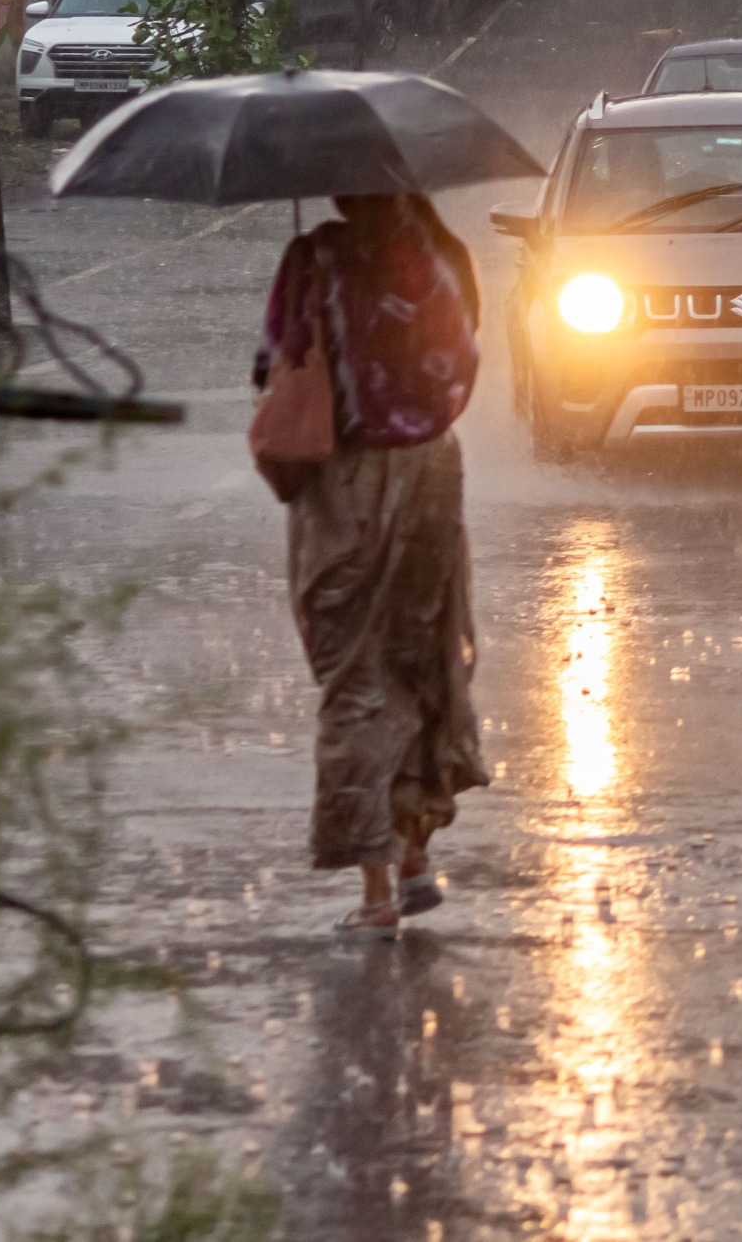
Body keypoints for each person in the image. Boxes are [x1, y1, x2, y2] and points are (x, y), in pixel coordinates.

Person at [259, 192, 487, 938]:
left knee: (355, 672)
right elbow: (463, 360)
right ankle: (415, 851)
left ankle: (377, 889)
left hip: (347, 485)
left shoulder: (314, 259)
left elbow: (276, 366)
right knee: (420, 659)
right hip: (429, 473)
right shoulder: (441, 259)